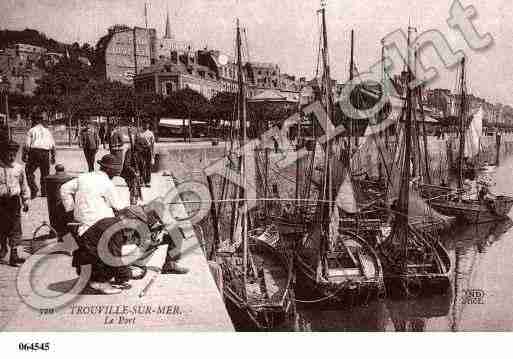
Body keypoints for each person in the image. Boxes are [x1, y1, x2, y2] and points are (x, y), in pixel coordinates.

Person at [60, 154, 127, 294]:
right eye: (115, 172)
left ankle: (95, 277)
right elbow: (119, 206)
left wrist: (71, 208)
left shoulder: (84, 177)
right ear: (110, 170)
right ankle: (103, 281)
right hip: (99, 226)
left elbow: (64, 189)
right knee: (117, 235)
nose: (115, 175)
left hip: (82, 226)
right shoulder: (107, 183)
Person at [0, 140, 30, 267]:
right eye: (9, 154)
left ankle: (14, 254)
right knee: (1, 227)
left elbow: (24, 185)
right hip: (1, 202)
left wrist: (26, 200)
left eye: (14, 154)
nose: (11, 156)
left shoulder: (19, 168)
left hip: (14, 201)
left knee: (15, 227)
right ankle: (3, 249)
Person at [24, 115, 56, 198]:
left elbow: (27, 145)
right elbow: (53, 145)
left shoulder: (31, 130)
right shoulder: (47, 131)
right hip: (45, 153)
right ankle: (44, 192)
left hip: (34, 152)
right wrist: (53, 156)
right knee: (45, 173)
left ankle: (33, 188)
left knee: (29, 171)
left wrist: (24, 155)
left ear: (34, 121)